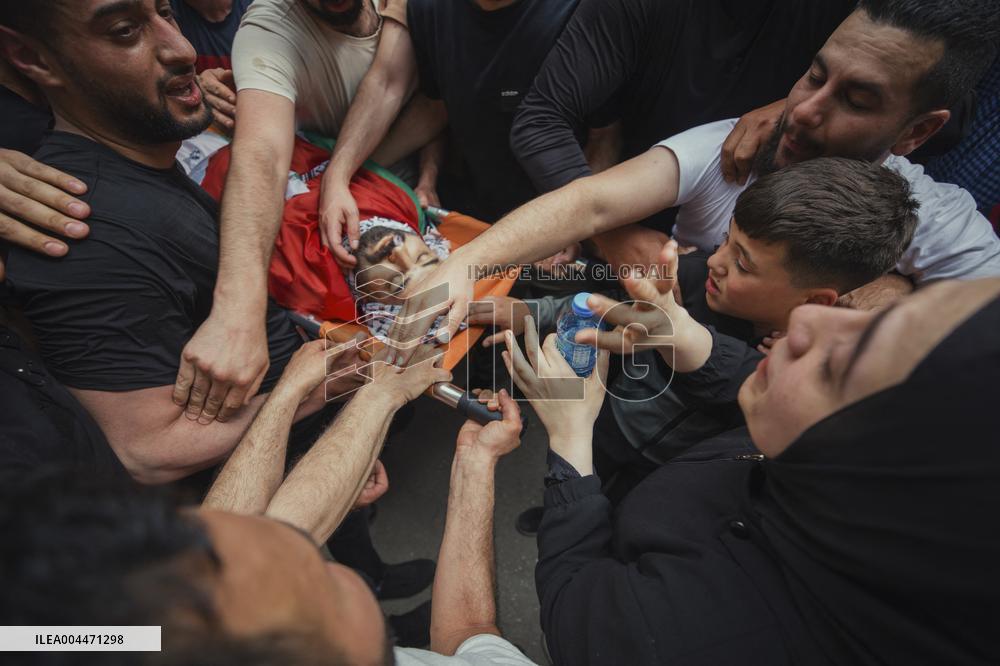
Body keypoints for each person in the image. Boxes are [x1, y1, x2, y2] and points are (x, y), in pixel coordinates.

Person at [389, 0, 1000, 365]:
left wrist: (890, 301)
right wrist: (464, 266)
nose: (806, 111)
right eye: (814, 76)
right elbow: (589, 202)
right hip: (650, 379)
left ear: (916, 131)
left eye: (857, 101)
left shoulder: (933, 219)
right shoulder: (730, 147)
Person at [498, 263, 1000, 664]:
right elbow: (754, 382)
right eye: (874, 320)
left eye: (836, 364)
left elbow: (571, 603)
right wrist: (686, 337)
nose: (804, 320)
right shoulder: (837, 475)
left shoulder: (682, 640)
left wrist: (571, 435)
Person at [2, 342, 538, 665]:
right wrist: (382, 394)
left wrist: (474, 461)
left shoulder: (93, 636)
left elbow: (468, 642)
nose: (327, 557)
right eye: (319, 574)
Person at [473, 158, 919, 494]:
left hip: (660, 472)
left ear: (815, 301)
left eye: (743, 264)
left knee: (610, 506)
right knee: (570, 476)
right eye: (726, 240)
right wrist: (530, 311)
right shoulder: (691, 280)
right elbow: (601, 306)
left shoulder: (780, 373)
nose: (715, 261)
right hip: (604, 422)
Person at [508, 0, 856, 263]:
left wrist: (791, 103)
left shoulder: (839, 13)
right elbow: (540, 119)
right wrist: (613, 235)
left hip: (768, 250)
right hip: (633, 223)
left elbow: (883, 78)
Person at [320, 0, 581, 263]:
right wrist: (338, 177)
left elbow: (600, 133)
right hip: (475, 202)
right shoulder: (427, 9)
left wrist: (573, 215)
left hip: (563, 205)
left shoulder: (574, 12)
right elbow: (424, 97)